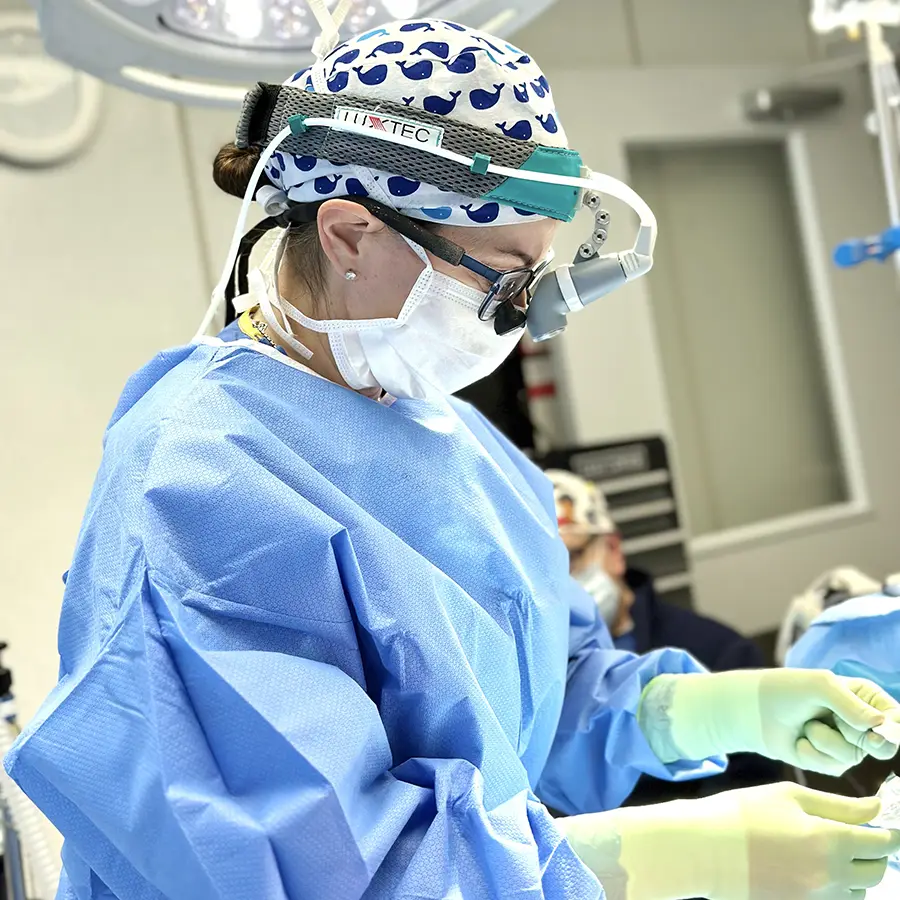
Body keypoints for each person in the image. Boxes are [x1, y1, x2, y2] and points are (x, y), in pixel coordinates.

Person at [6, 18, 900, 900]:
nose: (523, 318)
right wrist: (661, 857)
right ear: (352, 233)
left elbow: (527, 703)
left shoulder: (450, 437)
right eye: (505, 280)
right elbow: (304, 872)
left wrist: (715, 711)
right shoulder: (196, 485)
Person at [547, 468, 784, 796]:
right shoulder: (537, 673)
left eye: (572, 557)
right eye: (546, 569)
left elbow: (757, 789)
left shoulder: (715, 651)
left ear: (613, 550)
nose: (565, 581)